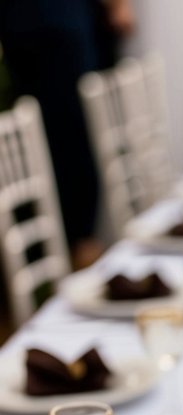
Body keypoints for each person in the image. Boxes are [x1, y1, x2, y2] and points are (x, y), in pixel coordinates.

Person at [0, 0, 136, 268]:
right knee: (77, 134)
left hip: (22, 23)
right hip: (57, 21)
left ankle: (59, 257)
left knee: (46, 139)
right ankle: (78, 252)